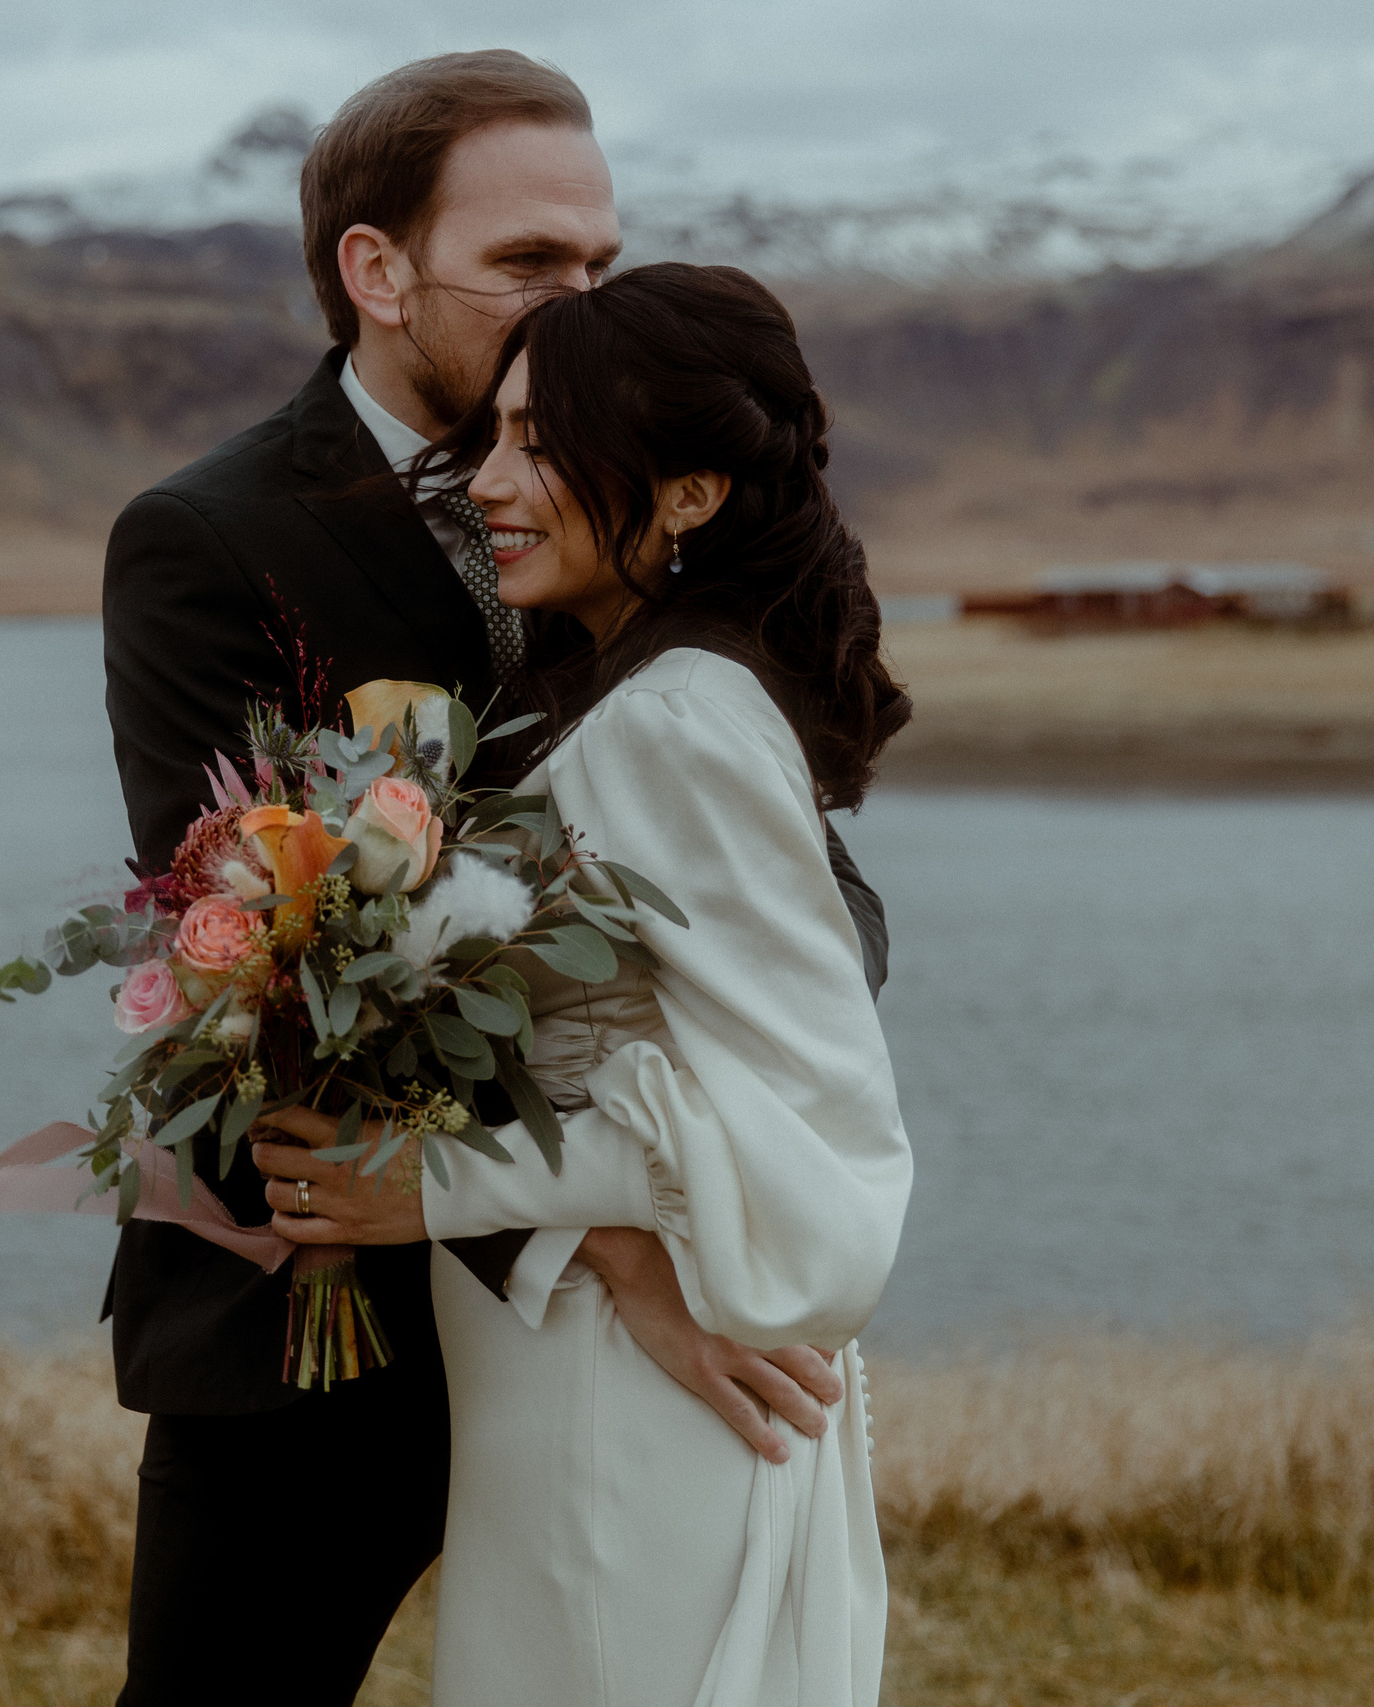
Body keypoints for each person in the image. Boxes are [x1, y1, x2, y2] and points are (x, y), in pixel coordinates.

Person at [102, 53, 887, 1705]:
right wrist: (624, 1256)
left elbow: (815, 921)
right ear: (375, 272)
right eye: (533, 266)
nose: (579, 301)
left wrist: (657, 1237)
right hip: (319, 1311)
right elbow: (242, 933)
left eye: (600, 262)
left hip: (589, 1333)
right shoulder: (206, 536)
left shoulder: (632, 508)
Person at [251, 263, 915, 1706]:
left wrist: (431, 1185)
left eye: (542, 443)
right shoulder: (615, 688)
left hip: (634, 1387)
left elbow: (801, 1118)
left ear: (687, 494)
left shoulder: (680, 717)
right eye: (493, 433)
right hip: (563, 1365)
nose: (487, 483)